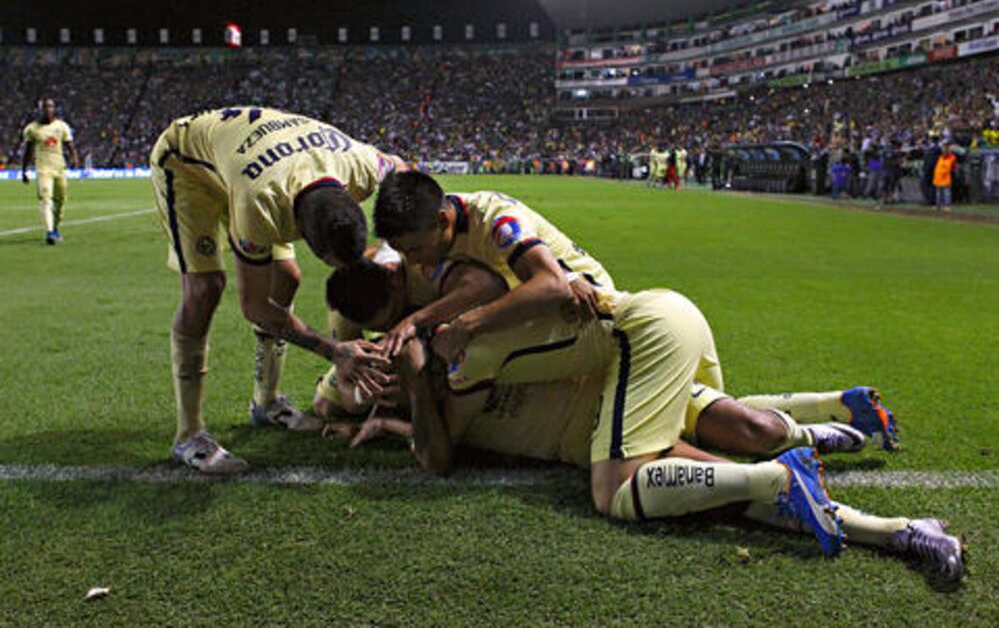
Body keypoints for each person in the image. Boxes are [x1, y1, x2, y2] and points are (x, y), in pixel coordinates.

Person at [322, 259, 960, 582]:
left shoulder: (452, 329)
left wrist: (408, 380)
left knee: (751, 431)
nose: (374, 360)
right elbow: (357, 415)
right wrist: (383, 406)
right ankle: (902, 530)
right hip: (587, 427)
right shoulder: (390, 374)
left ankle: (817, 432)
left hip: (614, 384)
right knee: (732, 476)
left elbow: (439, 448)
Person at [149, 106, 395, 473]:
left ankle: (266, 403)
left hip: (259, 159)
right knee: (205, 289)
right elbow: (255, 306)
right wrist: (333, 350)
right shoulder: (260, 203)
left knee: (288, 278)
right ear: (303, 235)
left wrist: (390, 249)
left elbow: (404, 170)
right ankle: (189, 436)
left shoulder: (358, 163)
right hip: (187, 164)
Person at [21, 98, 78, 245]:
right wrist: (24, 170)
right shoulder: (32, 129)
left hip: (59, 168)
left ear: (54, 108)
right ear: (39, 109)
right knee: (45, 198)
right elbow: (28, 151)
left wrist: (74, 159)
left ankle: (55, 227)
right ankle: (49, 232)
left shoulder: (62, 126)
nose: (47, 109)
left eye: (50, 106)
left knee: (60, 200)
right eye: (44, 107)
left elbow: (69, 144)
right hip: (43, 169)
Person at [932, 141, 957, 211]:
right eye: (944, 148)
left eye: (947, 147)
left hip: (946, 177)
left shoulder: (952, 157)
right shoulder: (940, 157)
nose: (945, 150)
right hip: (938, 177)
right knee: (938, 193)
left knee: (946, 193)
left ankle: (947, 206)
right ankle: (938, 206)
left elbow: (953, 167)